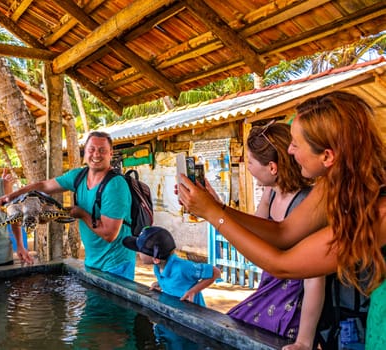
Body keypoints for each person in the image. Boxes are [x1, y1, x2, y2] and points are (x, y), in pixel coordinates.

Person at [177, 91, 386, 348]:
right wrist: (217, 207)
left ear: (328, 156)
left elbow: (282, 264)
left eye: (296, 144)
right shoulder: (334, 185)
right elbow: (284, 232)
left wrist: (213, 214)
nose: (289, 150)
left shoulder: (380, 212)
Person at [226, 121, 324, 349]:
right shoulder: (271, 194)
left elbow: (314, 279)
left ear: (272, 168)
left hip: (294, 301)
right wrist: (211, 204)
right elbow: (253, 232)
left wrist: (304, 341)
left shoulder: (306, 205)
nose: (247, 167)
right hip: (272, 289)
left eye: (250, 161)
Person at [0, 131, 136, 280]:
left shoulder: (115, 185)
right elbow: (43, 186)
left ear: (110, 154)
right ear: (85, 152)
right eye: (91, 149)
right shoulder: (79, 176)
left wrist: (81, 214)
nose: (96, 154)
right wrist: (12, 196)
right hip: (92, 261)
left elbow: (109, 234)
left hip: (116, 264)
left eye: (102, 150)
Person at [123, 226, 220, 307]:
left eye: (140, 250)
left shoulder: (183, 267)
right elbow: (177, 281)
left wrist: (193, 291)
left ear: (155, 259)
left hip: (193, 316)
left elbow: (215, 272)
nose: (138, 253)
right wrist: (161, 284)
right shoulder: (158, 267)